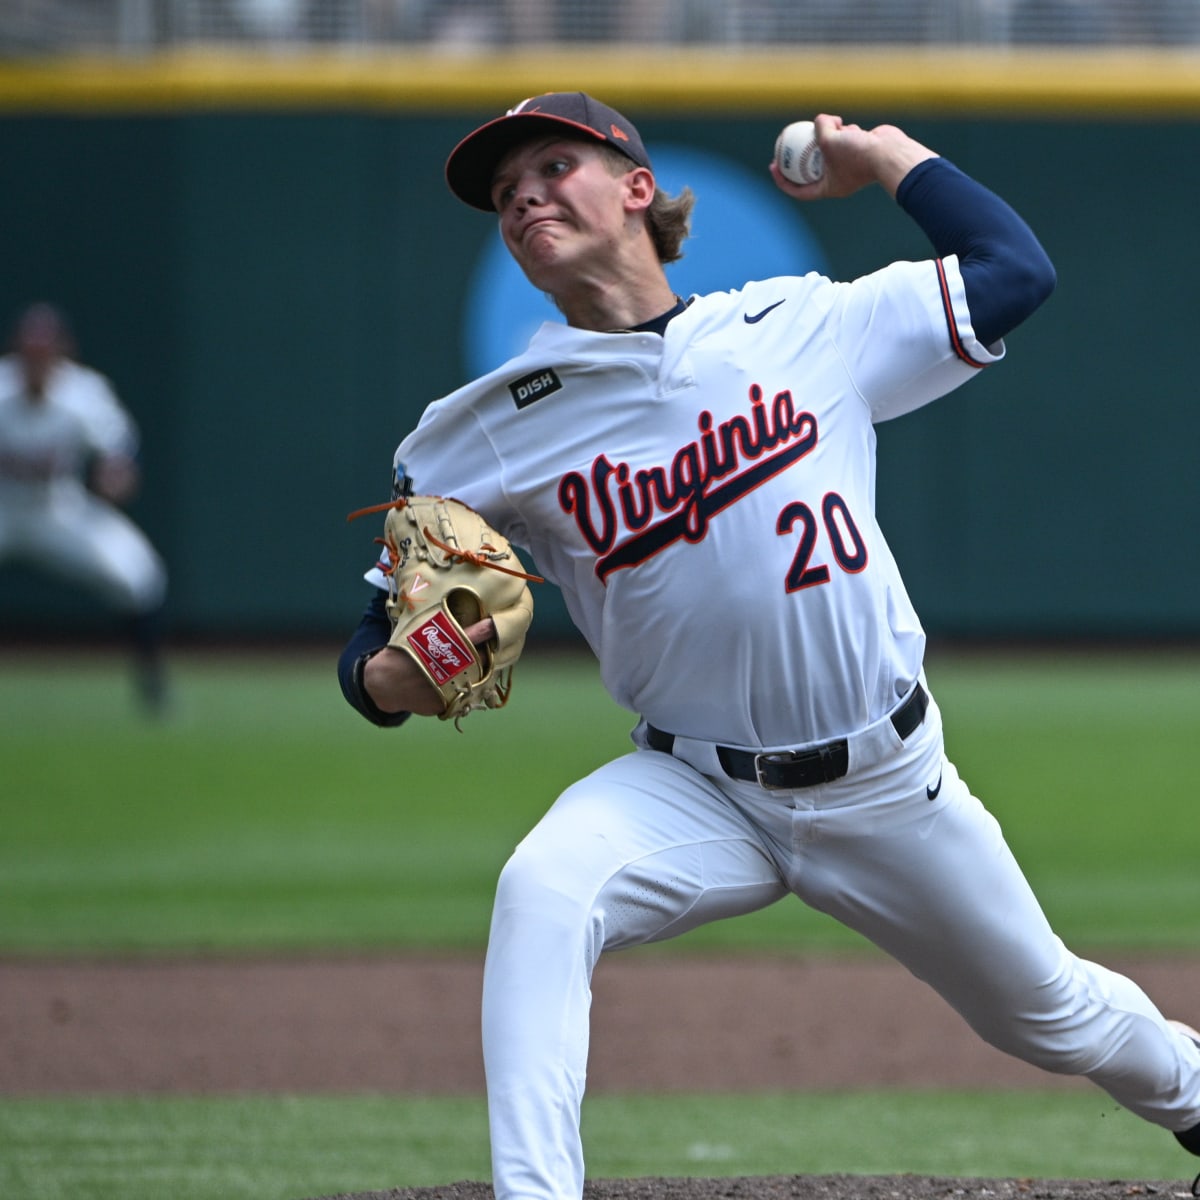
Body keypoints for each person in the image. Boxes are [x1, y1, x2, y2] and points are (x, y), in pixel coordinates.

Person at [337, 93, 1200, 1199]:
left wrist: (883, 154)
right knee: (545, 888)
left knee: (1051, 1013)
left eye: (553, 168)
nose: (526, 199)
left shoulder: (801, 325)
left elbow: (1014, 271)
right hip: (694, 789)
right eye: (506, 197)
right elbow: (374, 650)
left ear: (636, 189)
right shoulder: (481, 428)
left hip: (887, 785)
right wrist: (390, 678)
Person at [0, 302, 169, 712]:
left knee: (137, 573)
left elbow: (120, 449)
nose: (37, 359)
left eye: (45, 351)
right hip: (4, 505)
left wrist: (118, 472)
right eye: (30, 350)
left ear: (61, 352)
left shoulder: (82, 392)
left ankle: (152, 686)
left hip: (57, 506)